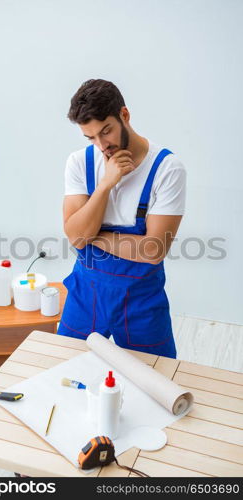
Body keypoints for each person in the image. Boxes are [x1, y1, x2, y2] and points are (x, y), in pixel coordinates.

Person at [57, 79, 186, 358]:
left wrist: (92, 237)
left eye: (106, 131)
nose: (102, 145)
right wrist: (105, 185)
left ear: (124, 116)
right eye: (91, 137)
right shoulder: (79, 163)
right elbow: (76, 235)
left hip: (141, 301)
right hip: (85, 294)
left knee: (155, 381)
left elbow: (153, 250)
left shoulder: (167, 169)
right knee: (64, 370)